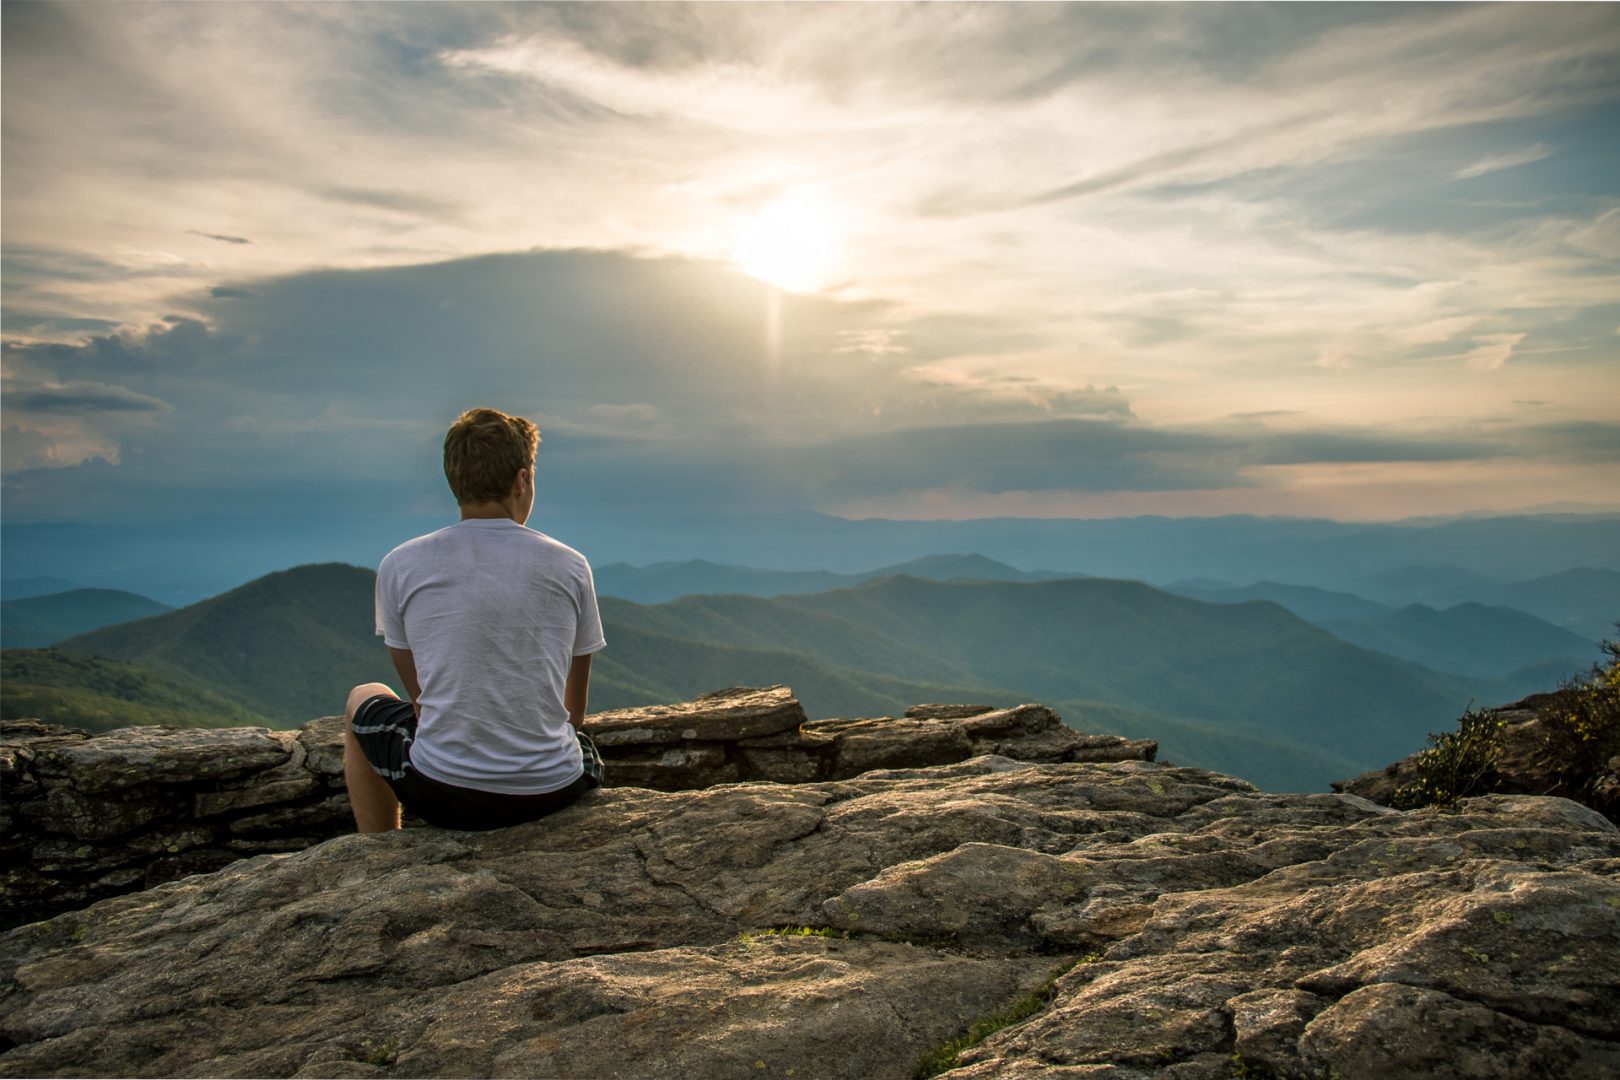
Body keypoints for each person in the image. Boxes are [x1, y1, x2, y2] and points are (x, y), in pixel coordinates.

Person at [342, 407, 607, 832]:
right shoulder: (570, 566)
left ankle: (378, 851)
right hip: (553, 790)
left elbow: (421, 704)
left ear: (455, 481)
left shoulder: (400, 564)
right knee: (580, 748)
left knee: (364, 694)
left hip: (444, 793)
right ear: (522, 479)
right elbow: (573, 715)